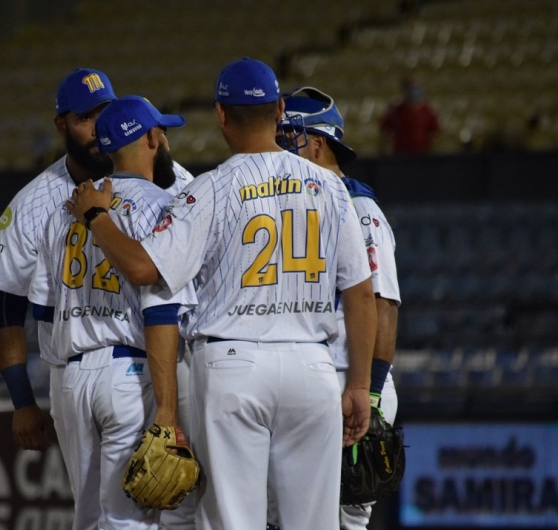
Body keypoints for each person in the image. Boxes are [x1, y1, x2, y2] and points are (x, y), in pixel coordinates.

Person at [67, 57, 377, 530]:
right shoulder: (331, 188)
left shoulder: (209, 190)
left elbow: (143, 269)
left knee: (233, 521)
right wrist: (358, 384)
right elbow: (360, 294)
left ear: (221, 114)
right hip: (312, 366)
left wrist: (97, 217)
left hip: (234, 366)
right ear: (279, 110)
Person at [0, 68, 196, 528]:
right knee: (135, 516)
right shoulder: (161, 202)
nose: (96, 128)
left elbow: (43, 307)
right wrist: (167, 408)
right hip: (135, 367)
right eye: (85, 117)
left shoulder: (66, 212)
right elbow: (162, 305)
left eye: (104, 115)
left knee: (89, 516)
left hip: (75, 374)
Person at [276, 87, 402, 530]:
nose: (278, 146)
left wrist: (372, 393)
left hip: (355, 378)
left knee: (345, 520)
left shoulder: (359, 207)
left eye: (287, 136)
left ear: (317, 143)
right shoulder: (295, 204)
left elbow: (383, 303)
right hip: (315, 376)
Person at [379, 73, 441, 155]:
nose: (413, 90)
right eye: (409, 87)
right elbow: (386, 133)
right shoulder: (395, 111)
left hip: (422, 154)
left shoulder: (427, 111)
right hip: (401, 155)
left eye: (415, 87)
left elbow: (435, 134)